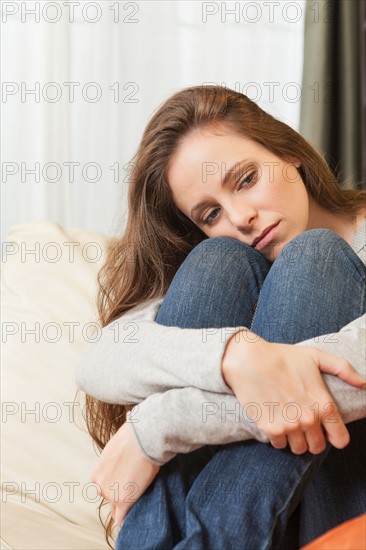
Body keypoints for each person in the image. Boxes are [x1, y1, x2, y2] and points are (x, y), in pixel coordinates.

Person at [75, 85, 366, 550]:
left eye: (246, 179)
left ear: (288, 152)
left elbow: (353, 381)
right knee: (216, 262)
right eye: (210, 213)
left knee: (316, 259)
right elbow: (101, 360)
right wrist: (234, 354)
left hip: (339, 516)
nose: (240, 217)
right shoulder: (235, 260)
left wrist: (159, 425)